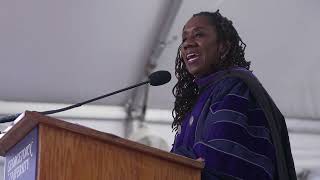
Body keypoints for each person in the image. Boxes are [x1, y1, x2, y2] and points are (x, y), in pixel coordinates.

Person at [171, 10, 297, 180]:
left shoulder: (235, 87)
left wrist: (179, 160)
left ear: (223, 46)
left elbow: (222, 159)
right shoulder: (199, 99)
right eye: (184, 38)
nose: (187, 44)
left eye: (199, 35)